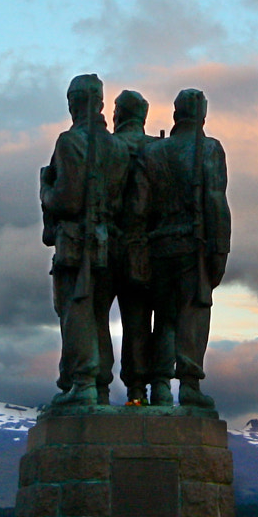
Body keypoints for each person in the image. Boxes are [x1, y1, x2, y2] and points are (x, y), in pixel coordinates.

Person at [39, 73, 134, 408]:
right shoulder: (120, 148)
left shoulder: (69, 141)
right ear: (101, 104)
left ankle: (83, 383)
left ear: (74, 103)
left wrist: (45, 190)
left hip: (77, 244)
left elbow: (66, 199)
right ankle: (101, 388)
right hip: (111, 245)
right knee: (98, 318)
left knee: (76, 313)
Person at [139, 88, 229, 409]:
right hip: (194, 246)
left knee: (163, 318)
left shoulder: (154, 153)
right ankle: (189, 385)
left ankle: (160, 386)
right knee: (192, 314)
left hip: (158, 246)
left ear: (177, 113)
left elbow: (141, 205)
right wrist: (220, 250)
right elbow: (216, 201)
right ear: (202, 114)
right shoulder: (209, 149)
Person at [107, 89, 158, 405]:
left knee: (94, 316)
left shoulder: (106, 146)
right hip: (145, 249)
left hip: (106, 242)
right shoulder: (158, 149)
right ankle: (138, 390)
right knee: (139, 322)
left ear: (118, 115)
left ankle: (94, 388)